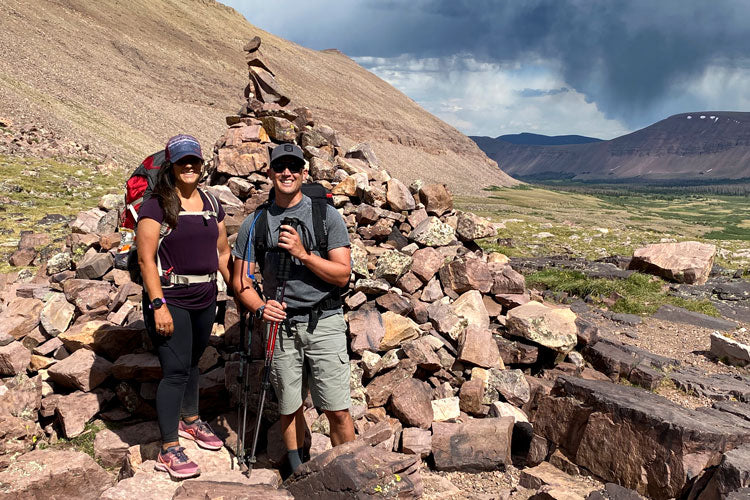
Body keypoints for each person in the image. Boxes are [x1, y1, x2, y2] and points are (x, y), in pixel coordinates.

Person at [232, 143, 354, 473]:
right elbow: (241, 280)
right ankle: (299, 471)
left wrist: (303, 254)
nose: (287, 172)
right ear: (270, 172)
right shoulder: (255, 223)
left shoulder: (325, 216)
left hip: (324, 321)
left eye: (293, 167)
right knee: (288, 406)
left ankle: (350, 471)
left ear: (303, 173)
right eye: (280, 166)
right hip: (280, 326)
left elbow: (343, 274)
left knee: (338, 408)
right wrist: (259, 308)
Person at [137, 134, 232, 480]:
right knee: (175, 370)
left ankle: (191, 420)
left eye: (194, 160)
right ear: (172, 166)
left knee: (193, 362)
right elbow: (146, 260)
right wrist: (158, 305)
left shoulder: (210, 202)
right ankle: (168, 447)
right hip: (171, 298)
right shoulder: (156, 205)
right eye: (182, 161)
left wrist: (239, 285)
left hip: (205, 296)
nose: (189, 166)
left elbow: (222, 252)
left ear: (202, 164)